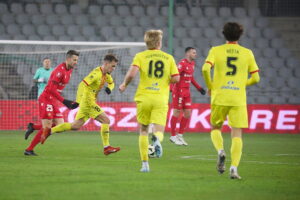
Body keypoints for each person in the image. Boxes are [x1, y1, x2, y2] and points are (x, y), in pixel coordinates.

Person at [202, 22, 260, 179]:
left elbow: (205, 69)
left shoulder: (216, 50)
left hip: (220, 96)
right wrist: (242, 83)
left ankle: (220, 150)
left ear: (223, 33)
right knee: (237, 134)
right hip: (238, 98)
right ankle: (234, 168)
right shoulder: (247, 53)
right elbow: (256, 78)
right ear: (240, 35)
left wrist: (211, 86)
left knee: (215, 127)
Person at [119, 29, 180, 172]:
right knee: (159, 130)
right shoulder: (168, 58)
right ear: (159, 42)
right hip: (160, 98)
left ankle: (145, 165)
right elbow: (176, 78)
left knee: (143, 130)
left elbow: (132, 74)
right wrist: (166, 79)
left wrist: (124, 84)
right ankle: (157, 139)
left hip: (144, 97)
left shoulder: (140, 56)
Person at [41, 54, 121, 155]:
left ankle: (49, 131)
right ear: (106, 63)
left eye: (115, 66)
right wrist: (78, 101)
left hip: (88, 103)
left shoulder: (106, 75)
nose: (114, 68)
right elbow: (82, 84)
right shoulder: (96, 74)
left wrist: (110, 88)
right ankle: (106, 147)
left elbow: (112, 82)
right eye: (112, 66)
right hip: (88, 102)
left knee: (75, 126)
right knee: (106, 120)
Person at [24, 50, 80, 156]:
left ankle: (34, 127)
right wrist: (65, 101)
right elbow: (50, 90)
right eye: (74, 60)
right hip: (46, 99)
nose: (76, 62)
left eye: (77, 60)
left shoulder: (70, 70)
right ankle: (29, 149)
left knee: (60, 126)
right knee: (47, 127)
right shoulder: (59, 71)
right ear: (68, 59)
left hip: (53, 100)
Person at [169, 47, 206, 146]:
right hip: (178, 92)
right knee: (176, 112)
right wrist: (171, 87)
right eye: (194, 53)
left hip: (187, 92)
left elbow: (191, 78)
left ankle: (180, 135)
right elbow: (174, 75)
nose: (195, 54)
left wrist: (199, 88)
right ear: (188, 53)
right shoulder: (182, 64)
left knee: (188, 113)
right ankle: (173, 136)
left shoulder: (192, 64)